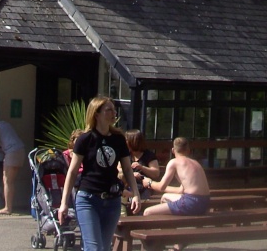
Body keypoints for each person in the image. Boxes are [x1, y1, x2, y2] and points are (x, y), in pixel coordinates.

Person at [59, 96, 140, 251]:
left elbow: (128, 169)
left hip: (112, 201)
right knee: (94, 248)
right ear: (96, 114)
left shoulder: (118, 139)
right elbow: (73, 171)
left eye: (114, 109)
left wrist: (136, 193)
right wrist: (64, 204)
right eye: (108, 110)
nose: (113, 113)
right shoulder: (85, 139)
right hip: (88, 200)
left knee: (104, 247)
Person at [141, 137, 210, 216]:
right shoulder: (196, 163)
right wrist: (157, 186)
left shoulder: (174, 162)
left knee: (147, 212)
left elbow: (161, 187)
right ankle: (170, 227)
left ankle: (165, 227)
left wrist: (149, 183)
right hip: (204, 202)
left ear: (173, 150)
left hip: (191, 202)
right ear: (188, 150)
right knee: (164, 197)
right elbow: (180, 190)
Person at [123, 129, 159, 200]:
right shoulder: (126, 155)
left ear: (133, 141)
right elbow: (119, 169)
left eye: (126, 140)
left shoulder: (149, 155)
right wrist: (132, 174)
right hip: (128, 185)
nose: (124, 142)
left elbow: (156, 173)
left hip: (144, 186)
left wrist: (142, 167)